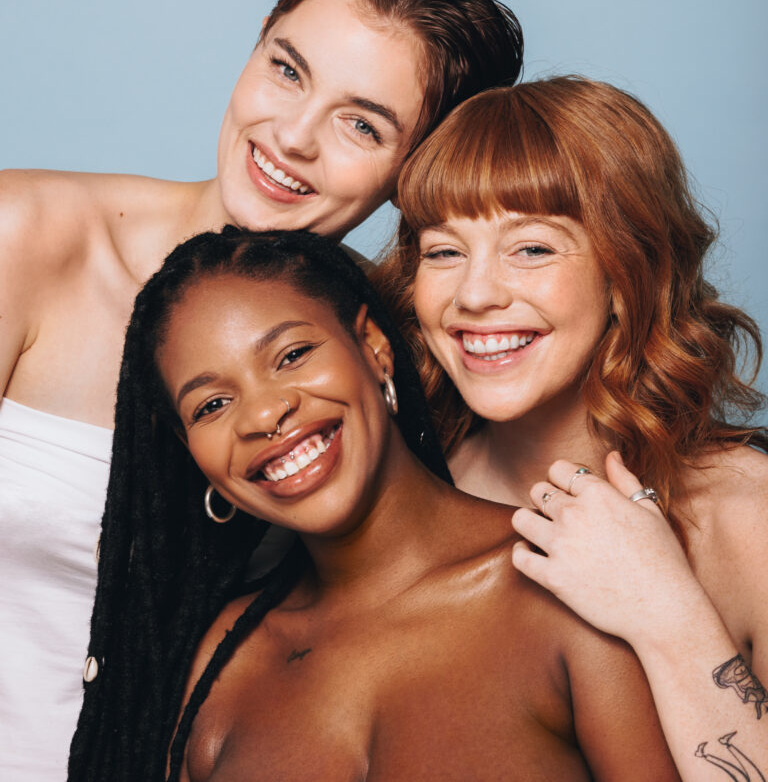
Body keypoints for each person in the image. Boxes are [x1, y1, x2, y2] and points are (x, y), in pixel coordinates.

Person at [0, 0, 524, 781]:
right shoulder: (23, 239)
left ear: (415, 168)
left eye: (362, 122)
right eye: (287, 68)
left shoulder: (386, 357)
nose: (293, 136)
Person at [70, 227, 678, 782]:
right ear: (190, 449)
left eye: (291, 356)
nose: (262, 415)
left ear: (373, 346)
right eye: (211, 406)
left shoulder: (568, 586)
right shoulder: (219, 663)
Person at [380, 76, 768, 782]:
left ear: (627, 274)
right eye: (443, 251)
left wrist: (667, 609)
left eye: (531, 249)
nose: (475, 294)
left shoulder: (745, 511)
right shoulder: (406, 494)